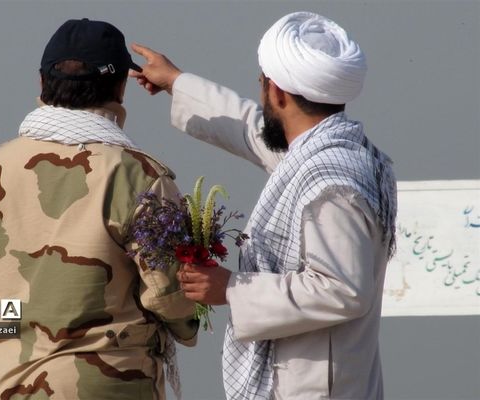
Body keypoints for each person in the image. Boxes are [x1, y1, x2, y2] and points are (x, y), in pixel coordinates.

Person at [131, 11, 397, 400]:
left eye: (260, 83)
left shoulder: (332, 183)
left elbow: (342, 290)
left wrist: (232, 288)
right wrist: (176, 82)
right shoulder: (333, 154)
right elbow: (252, 130)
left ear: (276, 92)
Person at [0, 18, 198, 400]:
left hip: (12, 385)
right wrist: (190, 325)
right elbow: (167, 292)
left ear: (41, 82)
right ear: (121, 86)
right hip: (111, 385)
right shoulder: (140, 176)